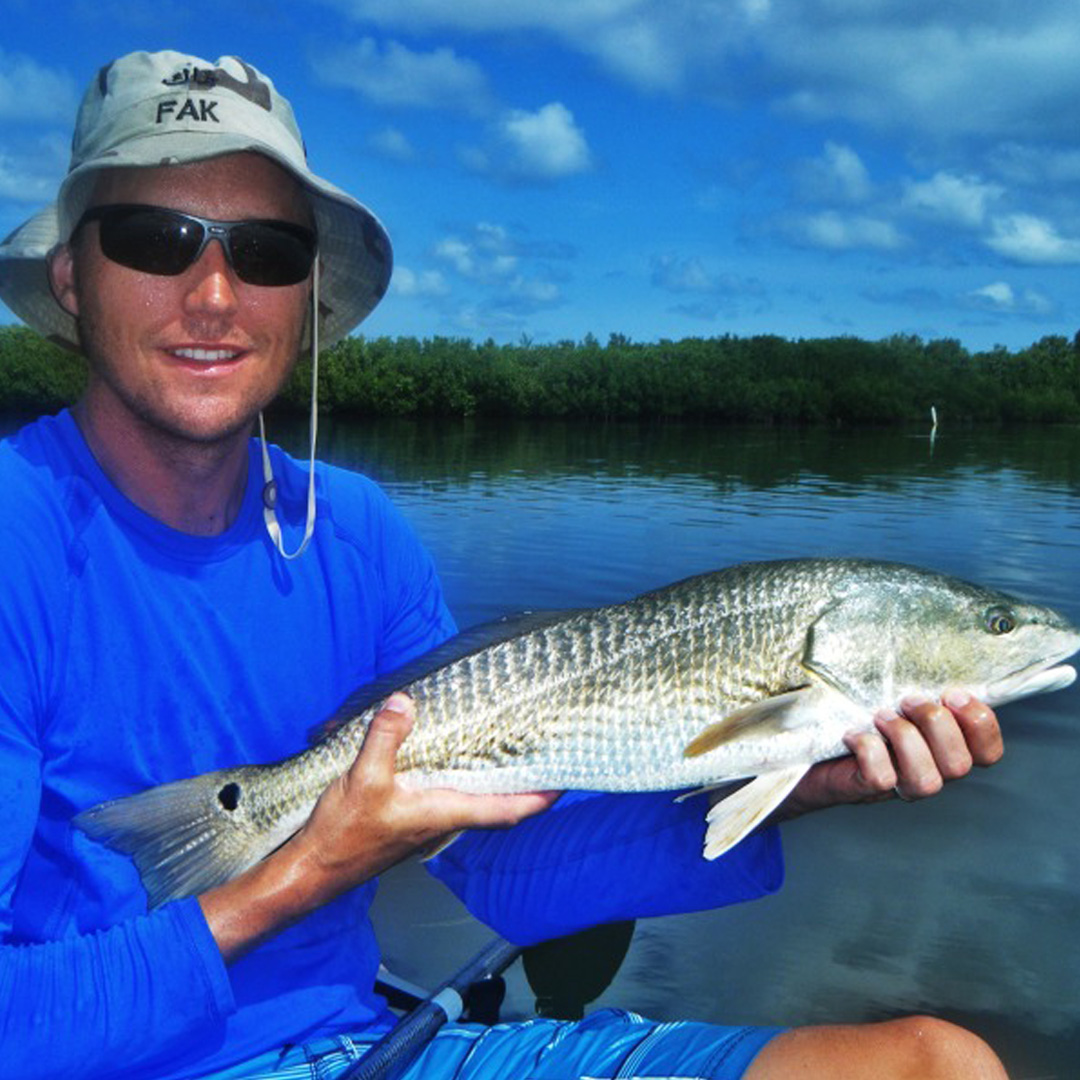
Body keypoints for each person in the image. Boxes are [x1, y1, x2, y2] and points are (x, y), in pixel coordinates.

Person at [0, 50, 1008, 1080]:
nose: (213, 294)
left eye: (264, 250)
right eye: (153, 239)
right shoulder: (16, 538)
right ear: (73, 276)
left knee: (940, 1063)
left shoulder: (358, 533)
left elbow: (508, 879)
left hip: (363, 1050)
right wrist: (305, 872)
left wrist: (796, 780)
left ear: (305, 296)